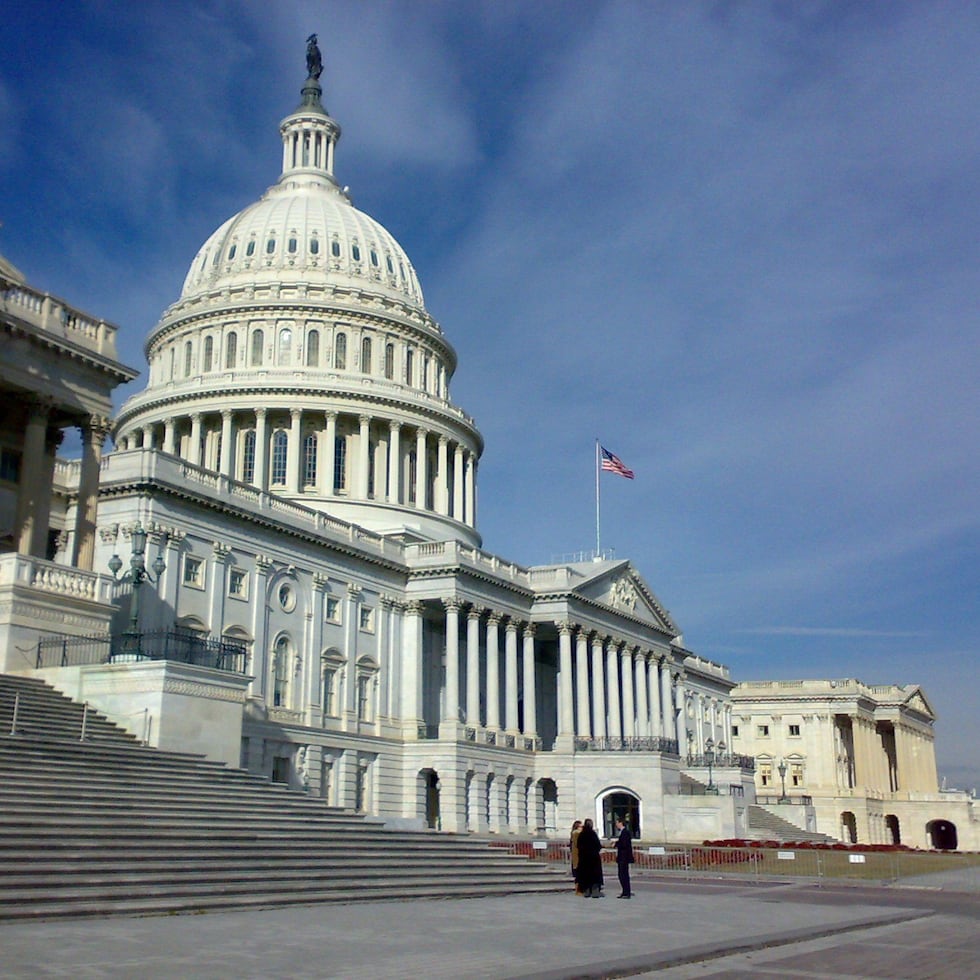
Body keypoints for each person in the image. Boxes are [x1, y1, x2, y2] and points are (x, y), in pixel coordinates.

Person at [576, 818, 604, 898]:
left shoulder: (582, 834)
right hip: (593, 859)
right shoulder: (593, 834)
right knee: (594, 876)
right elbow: (598, 845)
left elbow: (578, 846)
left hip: (584, 859)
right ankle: (595, 891)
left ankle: (587, 891)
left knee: (585, 875)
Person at [613, 817, 634, 898]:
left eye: (617, 823)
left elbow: (624, 845)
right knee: (622, 875)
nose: (616, 825)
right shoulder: (622, 832)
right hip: (622, 857)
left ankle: (626, 892)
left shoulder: (625, 832)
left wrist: (616, 844)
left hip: (624, 857)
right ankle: (624, 891)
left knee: (623, 875)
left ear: (620, 823)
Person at [569, 820, 583, 894]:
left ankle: (578, 889)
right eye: (581, 826)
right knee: (578, 873)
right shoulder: (576, 834)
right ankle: (578, 890)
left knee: (577, 873)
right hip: (578, 856)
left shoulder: (573, 834)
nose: (582, 828)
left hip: (576, 856)